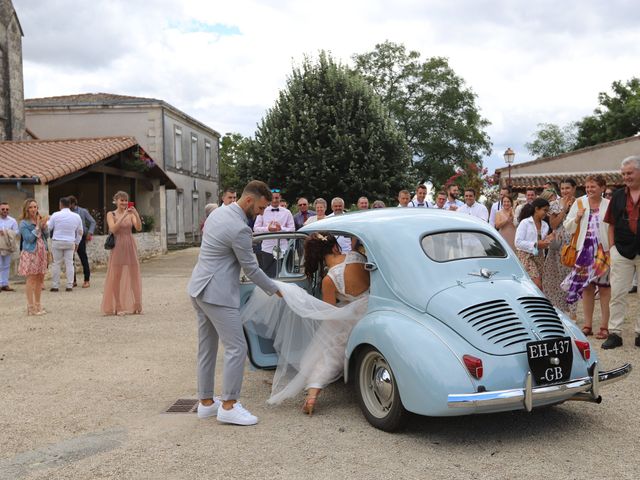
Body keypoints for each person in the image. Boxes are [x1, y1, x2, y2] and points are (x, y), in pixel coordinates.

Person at [243, 232, 369, 414]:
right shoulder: (357, 256)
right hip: (373, 306)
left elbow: (330, 312)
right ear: (335, 246)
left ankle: (312, 394)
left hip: (351, 316)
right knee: (329, 343)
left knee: (330, 350)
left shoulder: (329, 280)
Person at [188, 180, 281, 426]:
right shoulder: (240, 228)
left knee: (207, 347)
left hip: (198, 287)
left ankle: (206, 403)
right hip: (217, 293)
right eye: (260, 208)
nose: (261, 213)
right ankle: (229, 405)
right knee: (237, 347)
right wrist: (276, 289)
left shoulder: (219, 213)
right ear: (249, 200)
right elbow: (251, 268)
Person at [562, 175, 610, 339]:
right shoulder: (580, 203)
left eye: (593, 187)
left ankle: (604, 326)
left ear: (602, 188)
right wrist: (577, 217)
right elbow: (567, 226)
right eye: (587, 187)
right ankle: (587, 325)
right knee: (588, 288)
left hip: (604, 251)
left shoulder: (608, 205)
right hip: (584, 250)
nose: (589, 189)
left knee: (604, 289)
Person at [602, 156, 640, 349]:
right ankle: (615, 333)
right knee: (617, 293)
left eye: (630, 173)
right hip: (621, 251)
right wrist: (612, 249)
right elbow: (611, 224)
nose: (626, 177)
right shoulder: (617, 196)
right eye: (624, 173)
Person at [101, 191, 143, 316]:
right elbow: (112, 229)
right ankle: (118, 305)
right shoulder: (111, 214)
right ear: (116, 201)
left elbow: (139, 228)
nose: (124, 202)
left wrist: (135, 213)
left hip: (130, 244)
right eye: (121, 200)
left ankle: (137, 303)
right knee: (117, 276)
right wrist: (123, 216)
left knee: (134, 274)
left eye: (126, 200)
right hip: (118, 245)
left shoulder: (130, 214)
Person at [543, 178, 578, 318]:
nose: (565, 191)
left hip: (574, 243)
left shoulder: (580, 203)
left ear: (574, 188)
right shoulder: (554, 204)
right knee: (556, 276)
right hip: (558, 245)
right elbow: (554, 224)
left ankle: (573, 311)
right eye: (562, 188)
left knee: (572, 276)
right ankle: (558, 309)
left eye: (567, 188)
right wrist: (564, 209)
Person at [253, 189, 295, 277]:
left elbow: (292, 229)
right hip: (267, 248)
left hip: (283, 248)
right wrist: (267, 229)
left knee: (281, 274)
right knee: (267, 275)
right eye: (273, 198)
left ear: (280, 198)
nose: (275, 200)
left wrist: (281, 228)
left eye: (277, 198)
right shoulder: (263, 210)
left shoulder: (287, 212)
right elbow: (255, 228)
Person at [17, 199, 49, 315]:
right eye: (31, 207)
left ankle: (38, 305)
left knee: (40, 279)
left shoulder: (39, 219)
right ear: (26, 209)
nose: (34, 209)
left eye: (35, 207)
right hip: (30, 253)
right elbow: (28, 239)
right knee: (31, 279)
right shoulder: (23, 223)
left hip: (41, 251)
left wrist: (44, 226)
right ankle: (30, 307)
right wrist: (37, 227)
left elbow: (47, 236)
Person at [515, 198, 553, 290]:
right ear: (536, 209)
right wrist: (535, 244)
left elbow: (543, 242)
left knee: (539, 286)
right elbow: (518, 242)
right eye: (544, 210)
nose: (546, 213)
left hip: (539, 256)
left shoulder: (545, 225)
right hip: (526, 256)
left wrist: (548, 240)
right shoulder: (525, 223)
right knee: (537, 284)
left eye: (547, 211)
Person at [47, 196, 83, 292]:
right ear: (70, 205)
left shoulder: (55, 215)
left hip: (57, 241)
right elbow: (80, 231)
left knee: (56, 264)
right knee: (69, 263)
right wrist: (77, 242)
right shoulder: (76, 216)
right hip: (70, 241)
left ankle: (55, 285)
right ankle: (69, 285)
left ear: (60, 204)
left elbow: (49, 227)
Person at [68, 196, 96, 289]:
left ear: (73, 204)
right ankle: (73, 280)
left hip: (81, 237)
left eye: (69, 204)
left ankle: (86, 280)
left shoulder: (83, 211)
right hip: (70, 238)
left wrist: (90, 233)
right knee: (70, 260)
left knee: (83, 258)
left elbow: (93, 222)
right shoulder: (67, 212)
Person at [0, 201, 19, 291]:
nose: (5, 211)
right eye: (3, 209)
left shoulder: (12, 220)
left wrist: (7, 232)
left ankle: (5, 284)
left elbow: (16, 232)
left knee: (6, 265)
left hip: (7, 245)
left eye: (7, 209)